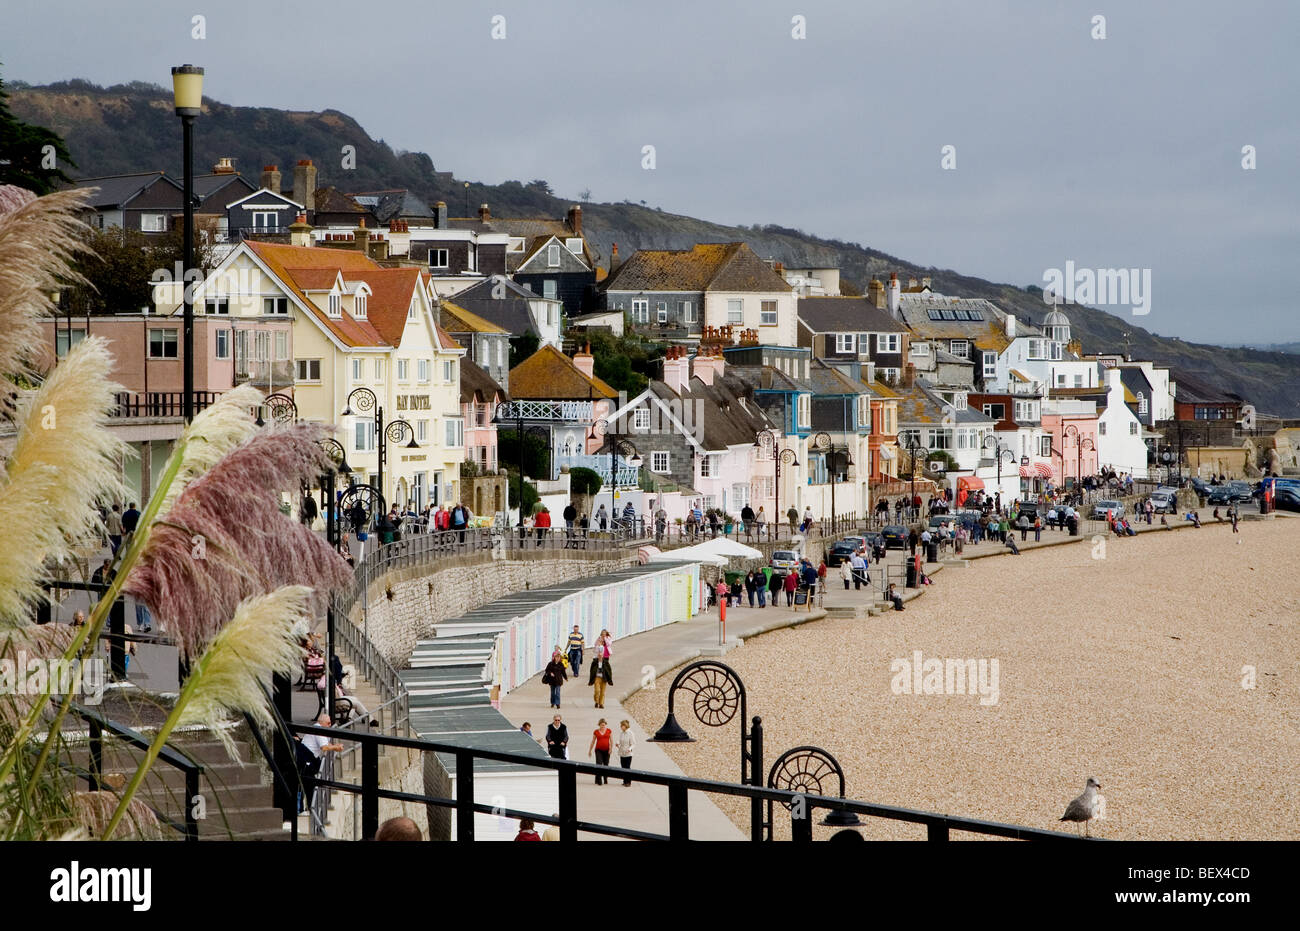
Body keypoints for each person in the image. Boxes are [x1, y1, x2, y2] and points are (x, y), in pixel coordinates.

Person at [295, 712, 344, 810]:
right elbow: (324, 747)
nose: (330, 725)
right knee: (308, 786)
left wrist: (334, 746)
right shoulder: (319, 729)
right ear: (322, 722)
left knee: (307, 785)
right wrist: (336, 747)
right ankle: (309, 808)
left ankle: (309, 807)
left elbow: (326, 744)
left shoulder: (317, 728)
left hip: (306, 759)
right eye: (328, 723)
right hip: (306, 761)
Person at [588, 718, 614, 784]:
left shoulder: (609, 731)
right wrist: (590, 750)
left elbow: (611, 741)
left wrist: (611, 749)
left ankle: (605, 778)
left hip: (607, 750)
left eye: (604, 725)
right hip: (598, 750)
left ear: (606, 725)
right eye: (601, 725)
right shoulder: (596, 732)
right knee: (599, 764)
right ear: (599, 725)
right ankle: (599, 780)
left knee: (606, 764)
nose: (603, 726)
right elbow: (593, 741)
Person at [617, 719, 635, 786]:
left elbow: (633, 744)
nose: (621, 727)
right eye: (621, 726)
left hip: (628, 754)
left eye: (622, 726)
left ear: (625, 726)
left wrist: (630, 749)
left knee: (627, 767)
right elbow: (620, 741)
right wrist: (617, 743)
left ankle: (628, 782)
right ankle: (624, 781)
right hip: (622, 752)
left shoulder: (630, 733)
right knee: (623, 767)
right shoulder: (621, 733)